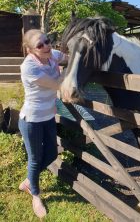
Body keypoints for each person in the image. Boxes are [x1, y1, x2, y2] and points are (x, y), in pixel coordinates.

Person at [18, 29, 68, 218]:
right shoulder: (29, 67)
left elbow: (68, 57)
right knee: (36, 159)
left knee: (53, 153)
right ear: (30, 50)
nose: (47, 46)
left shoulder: (52, 54)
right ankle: (36, 196)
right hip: (31, 120)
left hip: (48, 117)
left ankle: (29, 182)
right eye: (40, 45)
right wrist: (65, 71)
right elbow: (59, 85)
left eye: (47, 41)